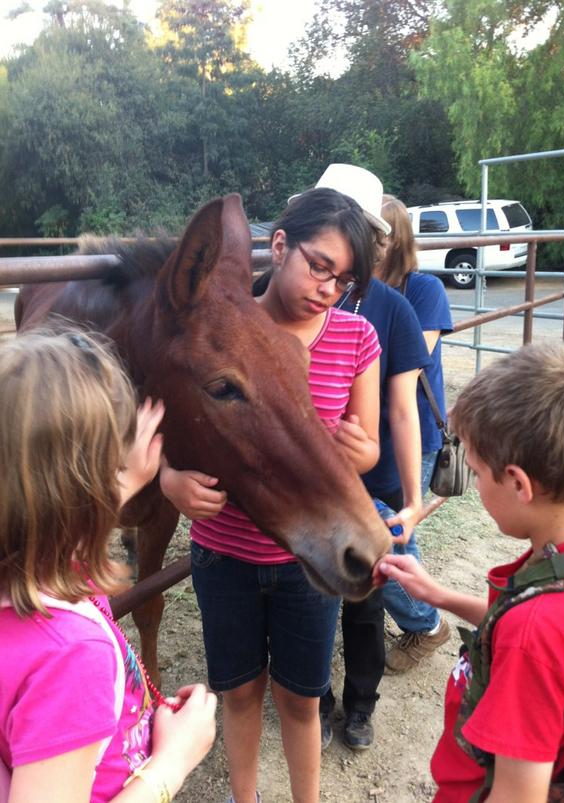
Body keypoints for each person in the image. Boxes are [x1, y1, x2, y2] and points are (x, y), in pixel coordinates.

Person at [159, 187, 382, 803]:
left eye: (343, 280)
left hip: (300, 562)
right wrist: (167, 481)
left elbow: (368, 450)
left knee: (301, 699)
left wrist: (356, 451)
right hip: (224, 553)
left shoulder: (354, 338)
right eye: (319, 265)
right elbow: (169, 420)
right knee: (238, 691)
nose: (327, 288)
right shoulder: (227, 329)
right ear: (279, 245)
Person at [0, 330, 217, 803]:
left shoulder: (32, 563)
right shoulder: (71, 658)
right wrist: (172, 763)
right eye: (112, 467)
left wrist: (130, 476)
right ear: (84, 497)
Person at [377, 342, 564, 802]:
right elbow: (526, 629)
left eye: (477, 473)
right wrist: (437, 594)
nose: (474, 485)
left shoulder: (534, 637)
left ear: (518, 483)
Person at [311, 166, 432, 752]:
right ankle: (317, 699)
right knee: (309, 598)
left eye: (360, 231)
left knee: (363, 600)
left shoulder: (390, 308)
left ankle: (359, 706)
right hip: (308, 489)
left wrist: (411, 500)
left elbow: (404, 410)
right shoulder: (283, 295)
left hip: (368, 485)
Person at [377, 197, 454, 674]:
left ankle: (425, 623)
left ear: (395, 240)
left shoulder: (423, 289)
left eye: (376, 234)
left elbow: (408, 358)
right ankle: (420, 619)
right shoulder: (356, 289)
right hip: (371, 432)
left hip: (414, 432)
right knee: (392, 533)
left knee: (392, 535)